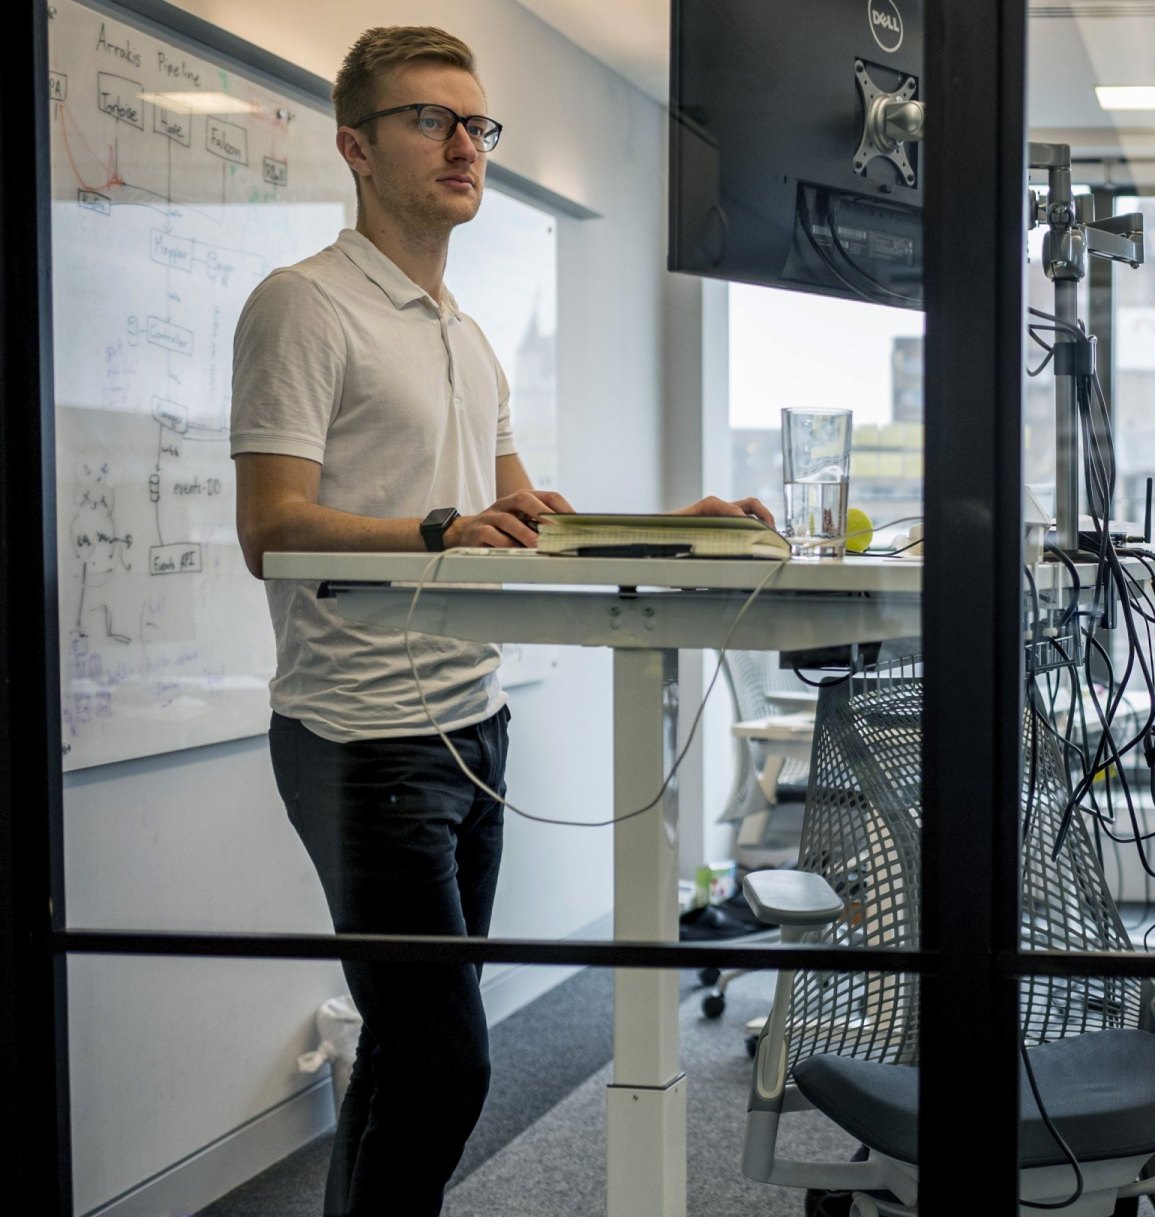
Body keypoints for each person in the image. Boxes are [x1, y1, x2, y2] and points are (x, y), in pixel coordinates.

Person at [230, 25, 772, 1217]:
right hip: (359, 736)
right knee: (449, 1058)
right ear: (356, 149)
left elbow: (523, 520)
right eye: (432, 119)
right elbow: (271, 526)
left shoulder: (466, 336)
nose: (465, 143)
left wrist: (675, 525)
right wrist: (437, 529)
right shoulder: (304, 306)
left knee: (402, 1044)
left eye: (476, 123)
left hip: (470, 728)